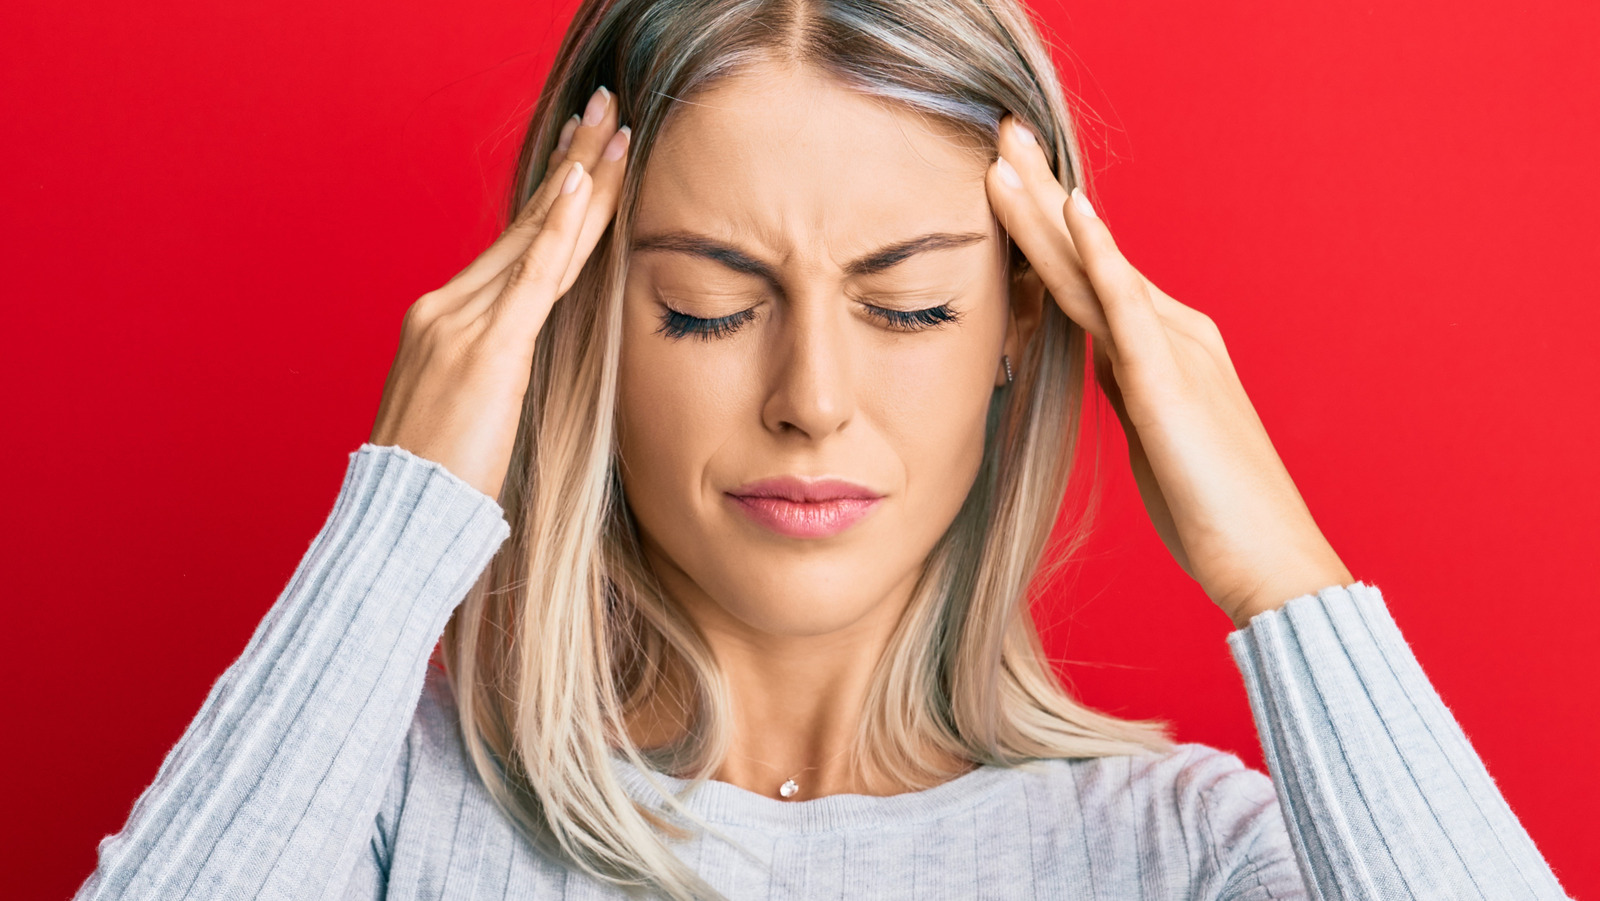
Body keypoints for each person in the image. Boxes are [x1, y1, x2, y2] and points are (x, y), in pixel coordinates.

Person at [74, 0, 1571, 898]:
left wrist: (1283, 576)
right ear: (571, 319)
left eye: (909, 305)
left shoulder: (1189, 857)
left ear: (1025, 330)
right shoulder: (388, 816)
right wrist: (394, 529)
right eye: (712, 310)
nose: (811, 398)